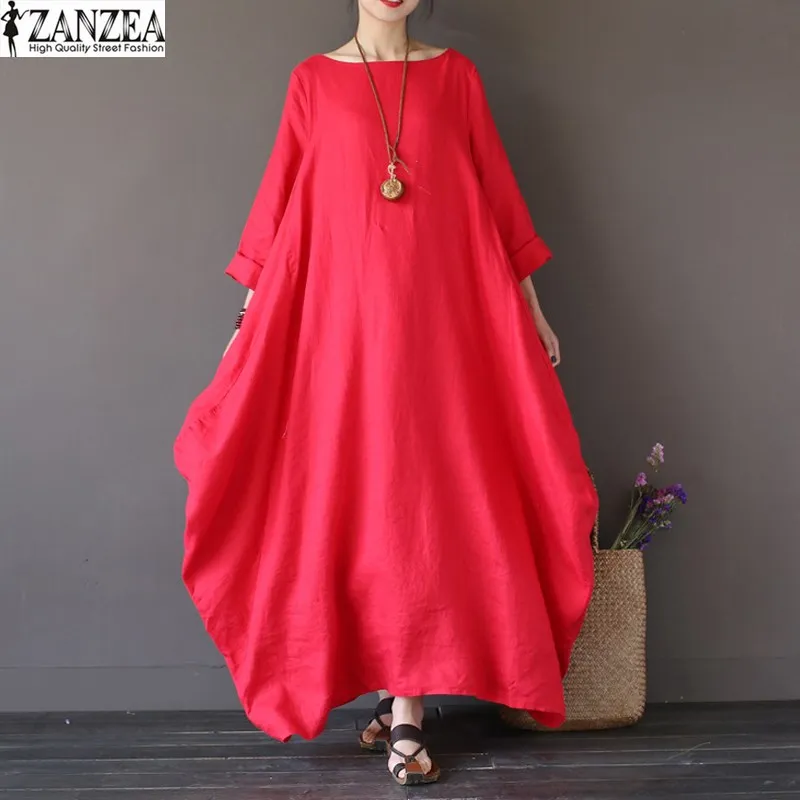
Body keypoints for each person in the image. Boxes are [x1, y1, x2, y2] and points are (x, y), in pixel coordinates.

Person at [174, 0, 598, 786]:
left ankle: (407, 709)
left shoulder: (456, 78)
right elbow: (278, 205)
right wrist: (246, 320)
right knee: (362, 499)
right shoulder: (312, 82)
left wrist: (532, 306)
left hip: (442, 333)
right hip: (343, 335)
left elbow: (497, 198)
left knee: (421, 505)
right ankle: (389, 686)